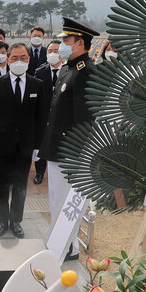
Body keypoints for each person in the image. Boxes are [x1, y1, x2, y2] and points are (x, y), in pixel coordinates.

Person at [39, 17, 99, 260]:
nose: (62, 44)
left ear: (80, 43)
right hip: (55, 145)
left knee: (67, 201)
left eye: (66, 39)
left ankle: (67, 246)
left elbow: (84, 118)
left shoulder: (86, 72)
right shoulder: (68, 68)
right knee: (56, 199)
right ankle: (64, 242)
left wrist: (80, 153)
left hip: (70, 150)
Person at [0, 43, 46, 239]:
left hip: (26, 145)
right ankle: (2, 221)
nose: (19, 62)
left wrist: (38, 146)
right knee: (2, 184)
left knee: (20, 185)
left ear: (29, 60)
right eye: (15, 58)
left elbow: (41, 118)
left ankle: (16, 221)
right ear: (8, 59)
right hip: (2, 144)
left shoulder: (37, 84)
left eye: (24, 58)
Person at [33, 40, 62, 186]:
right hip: (43, 115)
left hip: (61, 117)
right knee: (41, 144)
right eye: (50, 51)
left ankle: (58, 174)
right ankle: (39, 173)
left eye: (56, 51)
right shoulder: (40, 72)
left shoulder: (68, 71)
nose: (52, 54)